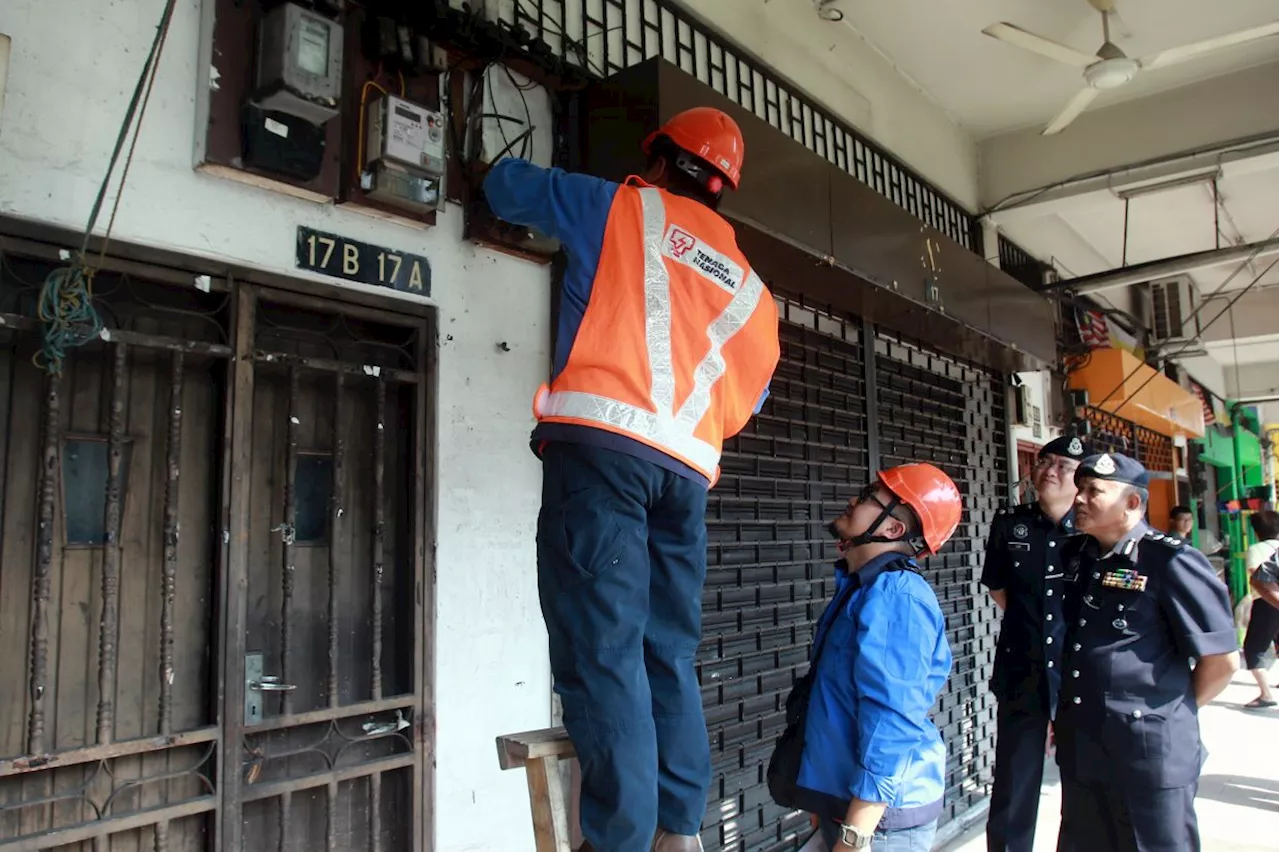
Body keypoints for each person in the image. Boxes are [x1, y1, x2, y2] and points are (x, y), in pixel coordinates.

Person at [483, 108, 781, 852]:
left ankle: (616, 839)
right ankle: (678, 829)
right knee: (664, 651)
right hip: (684, 477)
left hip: (601, 461)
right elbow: (749, 400)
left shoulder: (618, 206)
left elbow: (505, 188)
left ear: (658, 158)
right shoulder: (755, 294)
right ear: (723, 188)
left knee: (602, 648)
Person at [1054, 453, 1239, 852]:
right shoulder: (1077, 557)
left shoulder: (1171, 560)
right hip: (1084, 744)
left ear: (1133, 503)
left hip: (1148, 752)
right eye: (1079, 489)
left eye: (1094, 491)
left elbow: (1222, 661)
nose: (1080, 499)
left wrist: (1167, 711)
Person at [772, 464, 961, 850]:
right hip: (845, 803)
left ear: (893, 529)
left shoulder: (897, 597)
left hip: (879, 821)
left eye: (866, 497)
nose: (852, 501)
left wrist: (857, 833)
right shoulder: (864, 588)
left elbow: (891, 719)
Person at [981, 435, 1089, 852]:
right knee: (1013, 784)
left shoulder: (1090, 532)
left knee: (1083, 786)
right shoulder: (1011, 523)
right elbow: (1000, 591)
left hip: (1079, 675)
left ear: (1080, 480)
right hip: (1022, 669)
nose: (1050, 470)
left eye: (1063, 466)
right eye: (1046, 461)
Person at [1240, 509, 1280, 709]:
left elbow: (1256, 577)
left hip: (1267, 602)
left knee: (1254, 646)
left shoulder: (1257, 549)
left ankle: (1266, 694)